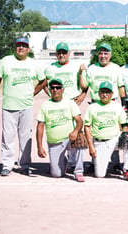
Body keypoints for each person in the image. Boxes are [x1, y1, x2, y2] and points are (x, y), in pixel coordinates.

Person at [0, 37, 46, 176]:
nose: (21, 48)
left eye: (24, 46)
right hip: (9, 106)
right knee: (8, 137)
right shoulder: (6, 61)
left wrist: (32, 92)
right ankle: (7, 164)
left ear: (28, 49)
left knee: (25, 136)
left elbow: (43, 81)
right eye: (18, 46)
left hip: (26, 106)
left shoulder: (33, 64)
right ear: (15, 48)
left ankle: (24, 164)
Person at [44, 42, 87, 174]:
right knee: (60, 130)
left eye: (64, 52)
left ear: (69, 53)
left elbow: (85, 85)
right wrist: (51, 95)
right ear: (56, 54)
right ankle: (61, 160)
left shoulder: (75, 67)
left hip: (72, 103)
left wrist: (82, 95)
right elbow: (44, 84)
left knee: (75, 134)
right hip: (58, 104)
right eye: (59, 53)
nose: (61, 55)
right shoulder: (50, 68)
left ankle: (73, 163)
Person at [83, 42, 126, 174]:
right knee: (97, 132)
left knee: (113, 131)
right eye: (101, 53)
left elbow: (120, 86)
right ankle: (94, 161)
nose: (103, 56)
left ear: (110, 55)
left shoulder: (116, 68)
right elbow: (86, 86)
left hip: (112, 102)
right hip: (96, 102)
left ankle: (115, 162)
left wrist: (123, 104)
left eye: (106, 53)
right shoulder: (92, 68)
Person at [36, 79, 85, 182]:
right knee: (56, 174)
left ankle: (78, 171)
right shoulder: (45, 105)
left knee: (81, 139)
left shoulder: (70, 103)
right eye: (52, 88)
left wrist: (75, 131)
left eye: (58, 87)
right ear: (49, 90)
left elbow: (79, 121)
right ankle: (63, 162)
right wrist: (39, 147)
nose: (55, 90)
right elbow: (40, 126)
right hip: (54, 142)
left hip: (70, 138)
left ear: (63, 90)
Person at [84, 82, 128, 180]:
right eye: (102, 92)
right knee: (100, 175)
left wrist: (125, 134)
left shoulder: (117, 106)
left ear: (112, 94)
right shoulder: (92, 107)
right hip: (99, 141)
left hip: (114, 139)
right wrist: (91, 146)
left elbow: (124, 124)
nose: (105, 94)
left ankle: (127, 170)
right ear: (99, 93)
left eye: (107, 92)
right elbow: (87, 127)